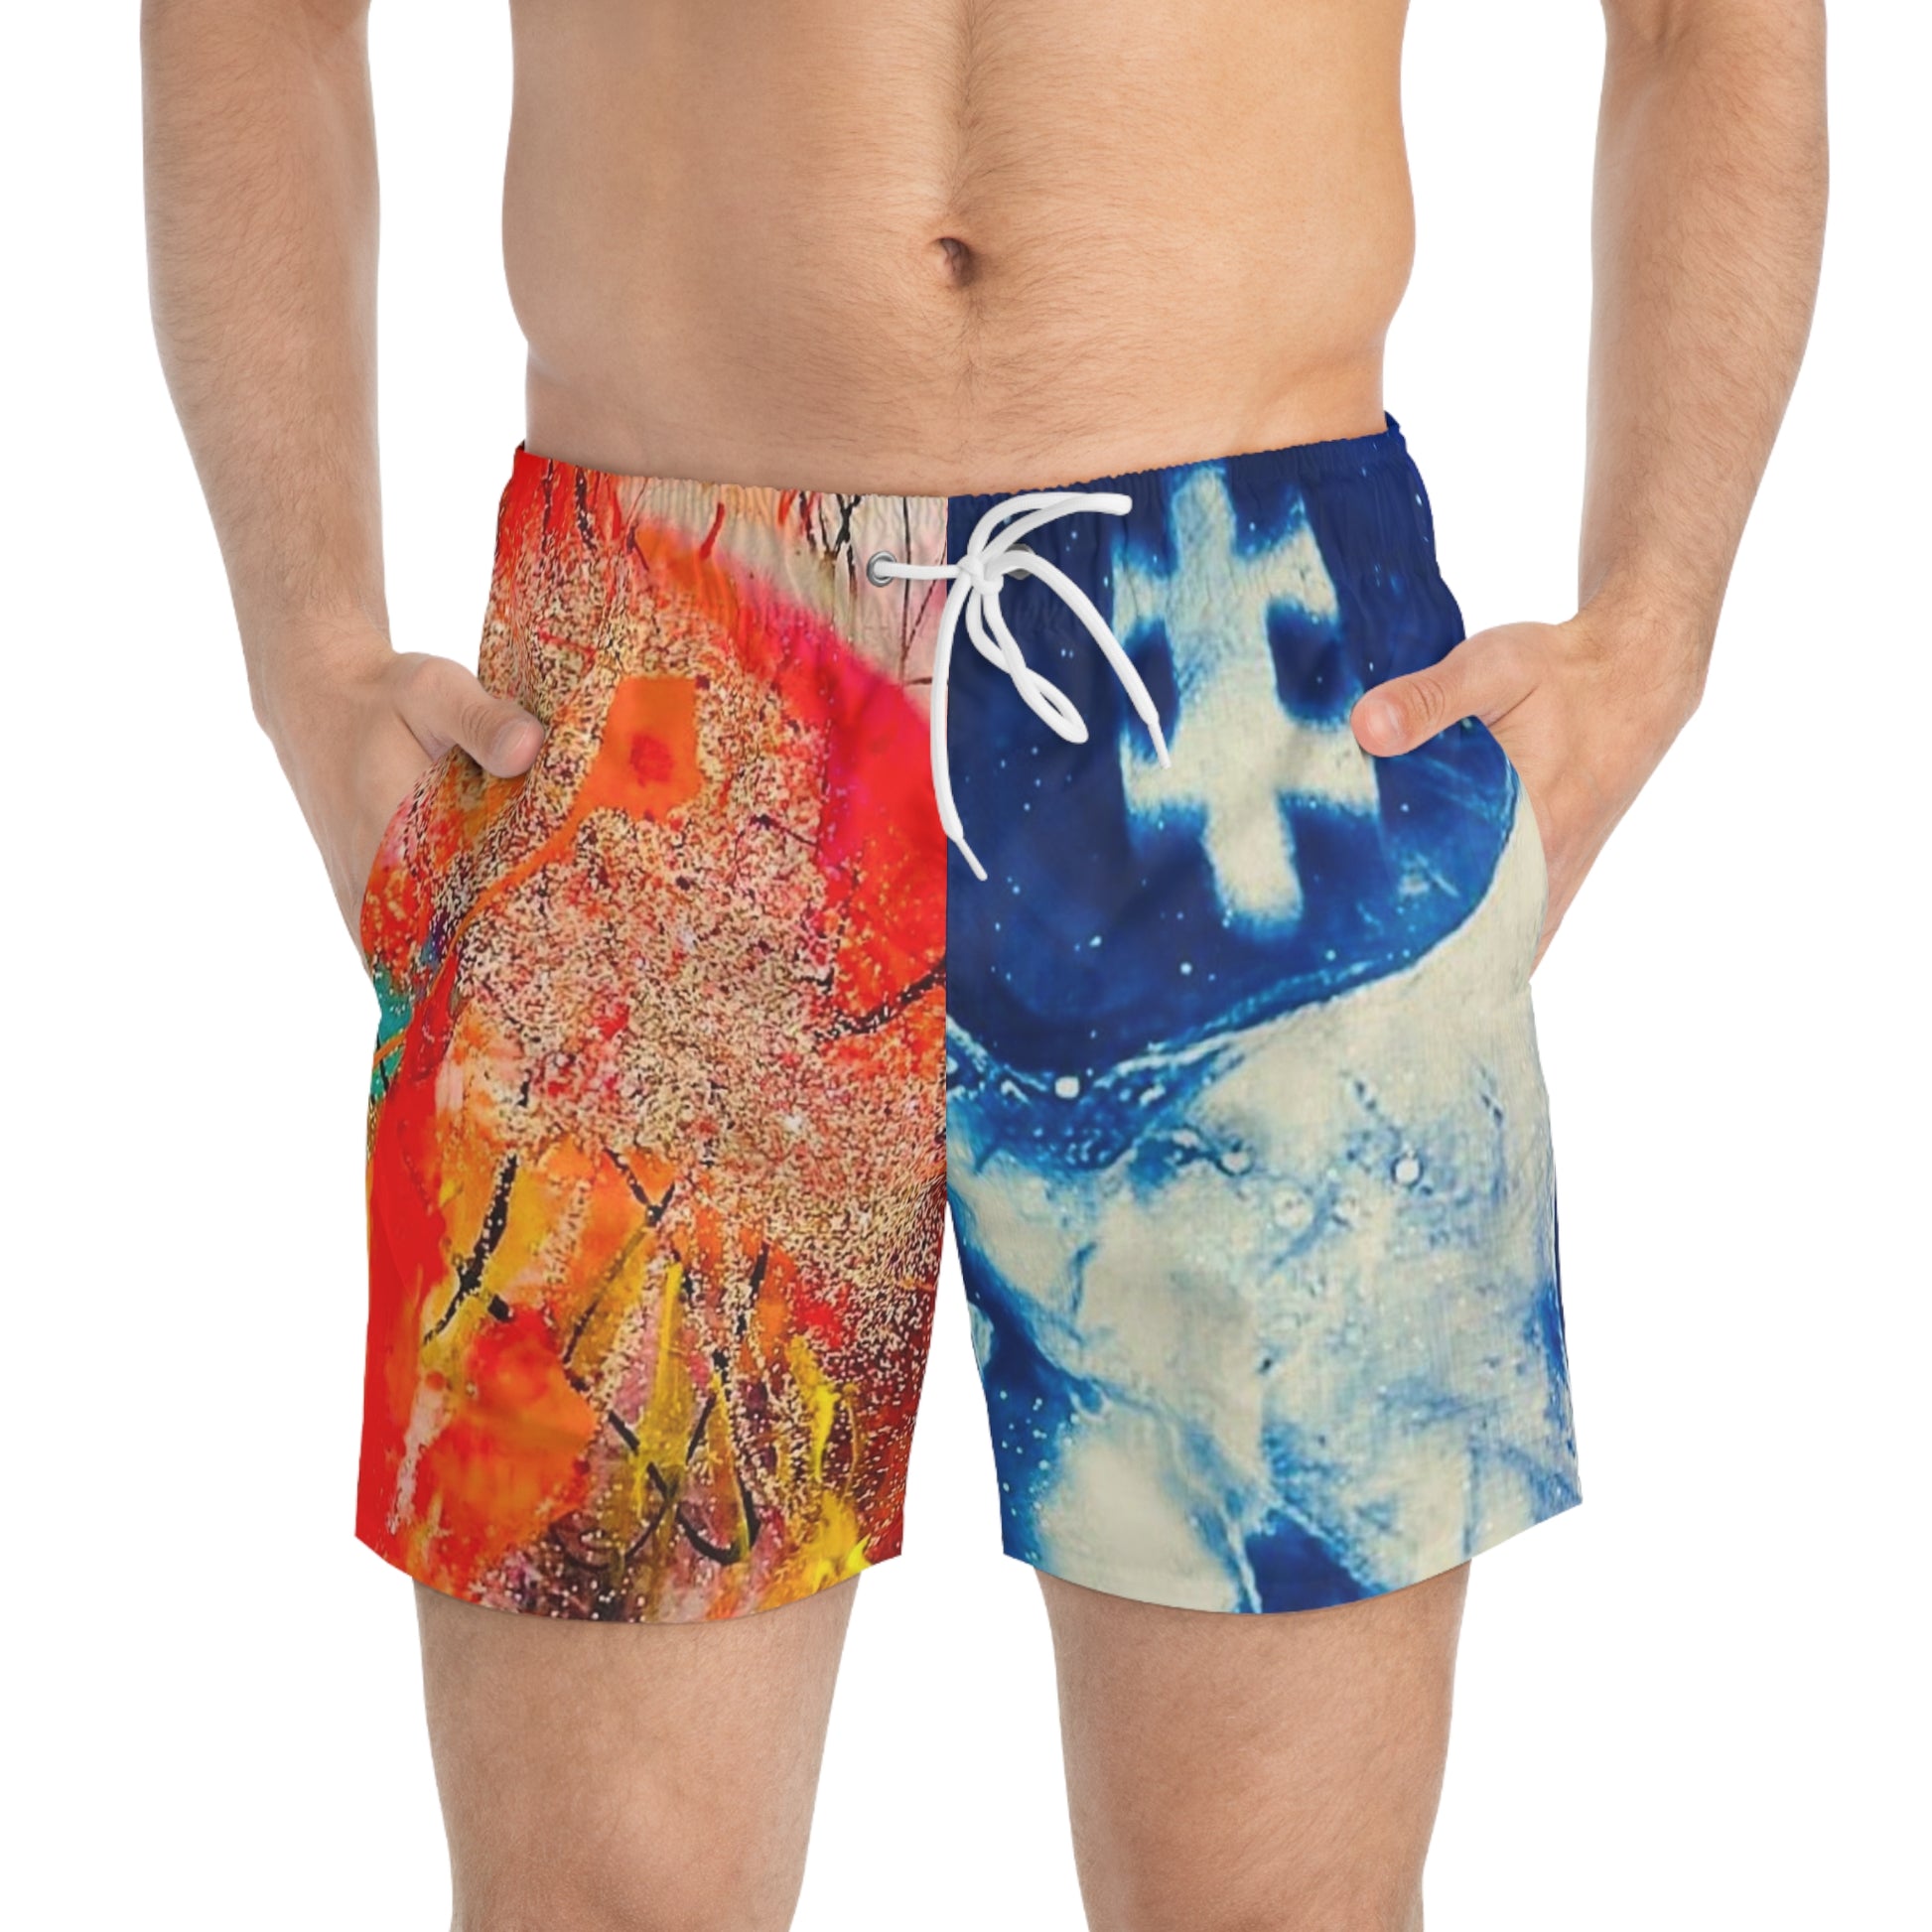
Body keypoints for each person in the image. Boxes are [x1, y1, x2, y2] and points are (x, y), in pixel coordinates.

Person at [143, 2, 1827, 1926]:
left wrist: (1656, 622)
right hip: (662, 683)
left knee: (1273, 1898)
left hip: (1250, 688)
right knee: (601, 1895)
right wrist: (306, 646)